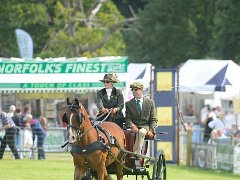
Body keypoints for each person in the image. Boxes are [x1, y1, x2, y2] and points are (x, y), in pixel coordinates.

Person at [125, 82, 158, 156]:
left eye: (136, 89)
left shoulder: (150, 102)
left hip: (145, 127)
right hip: (133, 127)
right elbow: (127, 118)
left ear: (141, 90)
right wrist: (132, 125)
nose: (133, 91)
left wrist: (151, 130)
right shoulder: (128, 104)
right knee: (125, 134)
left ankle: (136, 154)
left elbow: (153, 119)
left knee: (141, 132)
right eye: (132, 90)